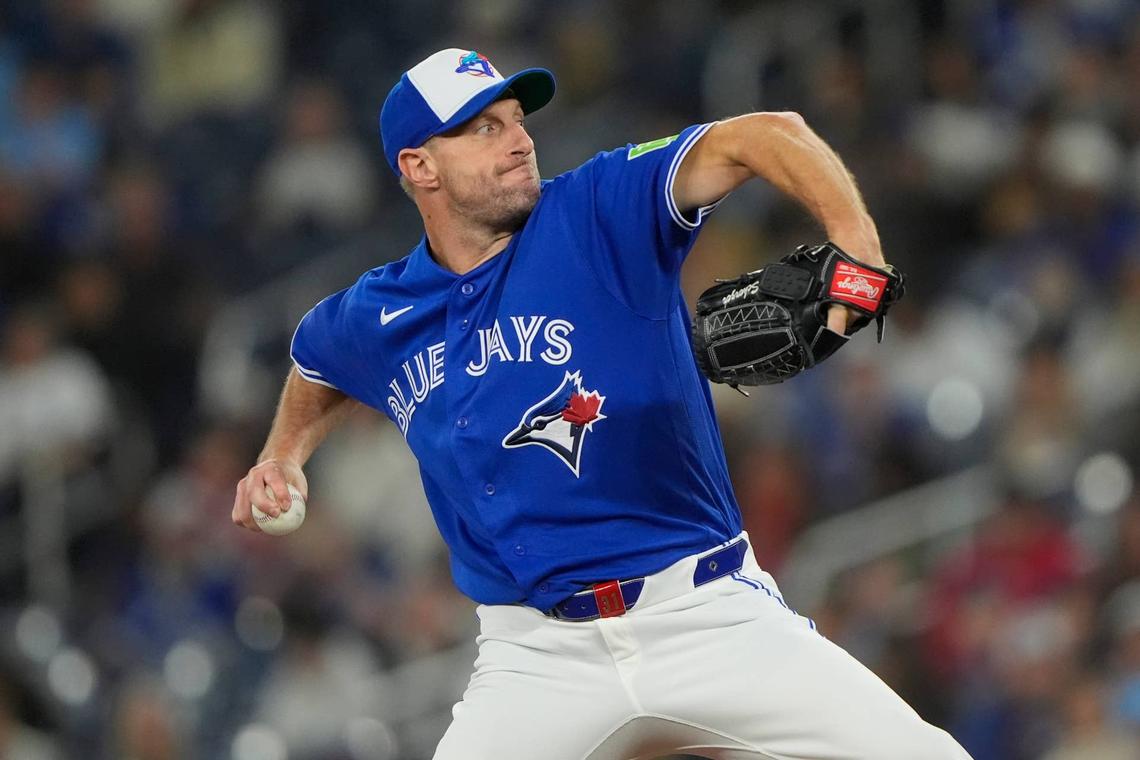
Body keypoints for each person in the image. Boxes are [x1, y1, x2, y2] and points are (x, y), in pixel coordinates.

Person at [232, 48, 972, 759]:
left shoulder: (597, 211)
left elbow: (764, 135)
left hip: (704, 611)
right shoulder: (379, 312)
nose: (519, 142)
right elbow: (317, 360)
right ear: (419, 166)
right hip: (536, 658)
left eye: (519, 119)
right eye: (485, 128)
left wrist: (858, 243)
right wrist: (282, 454)